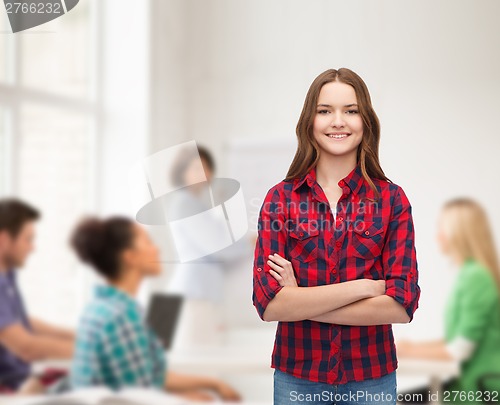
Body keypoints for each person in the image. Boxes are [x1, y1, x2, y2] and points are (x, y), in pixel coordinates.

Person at [252, 68, 421, 404]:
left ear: (366, 122)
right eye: (325, 110)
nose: (338, 121)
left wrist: (299, 299)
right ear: (309, 122)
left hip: (371, 379)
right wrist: (364, 288)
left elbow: (402, 305)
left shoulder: (391, 200)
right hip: (297, 379)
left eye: (351, 111)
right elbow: (269, 304)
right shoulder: (280, 200)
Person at [69, 216, 242, 402]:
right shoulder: (122, 316)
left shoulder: (103, 307)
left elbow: (150, 375)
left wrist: (211, 384)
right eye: (147, 242)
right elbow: (139, 395)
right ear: (130, 257)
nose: (157, 248)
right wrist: (187, 399)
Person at [397, 198, 500, 404]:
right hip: (468, 384)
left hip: (479, 389)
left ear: (459, 234)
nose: (438, 236)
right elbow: (459, 339)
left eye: (442, 229)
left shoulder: (476, 277)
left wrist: (408, 351)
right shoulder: (471, 274)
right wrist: (411, 347)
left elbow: (459, 350)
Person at [166, 145, 252, 347]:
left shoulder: (193, 203)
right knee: (198, 366)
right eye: (196, 168)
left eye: (206, 168)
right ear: (182, 172)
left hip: (196, 294)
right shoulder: (185, 204)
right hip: (193, 297)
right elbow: (218, 247)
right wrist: (251, 244)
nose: (203, 174)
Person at [0, 198, 74, 393]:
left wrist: (79, 335)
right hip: (10, 390)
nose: (32, 248)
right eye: (28, 239)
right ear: (4, 239)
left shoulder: (7, 277)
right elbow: (26, 347)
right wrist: (92, 351)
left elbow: (20, 322)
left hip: (22, 381)